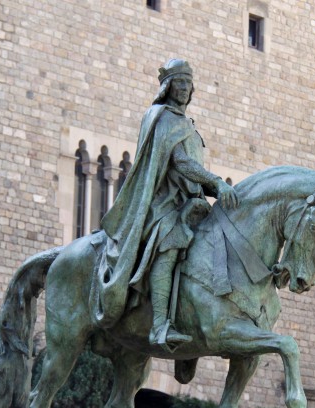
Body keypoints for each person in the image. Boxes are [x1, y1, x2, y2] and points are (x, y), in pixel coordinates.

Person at [94, 58, 238, 351]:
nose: (185, 88)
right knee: (170, 241)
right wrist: (217, 182)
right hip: (163, 204)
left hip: (190, 203)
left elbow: (192, 168)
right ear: (168, 86)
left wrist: (212, 188)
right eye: (179, 82)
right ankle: (160, 325)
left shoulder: (187, 125)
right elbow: (182, 163)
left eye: (188, 83)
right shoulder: (162, 118)